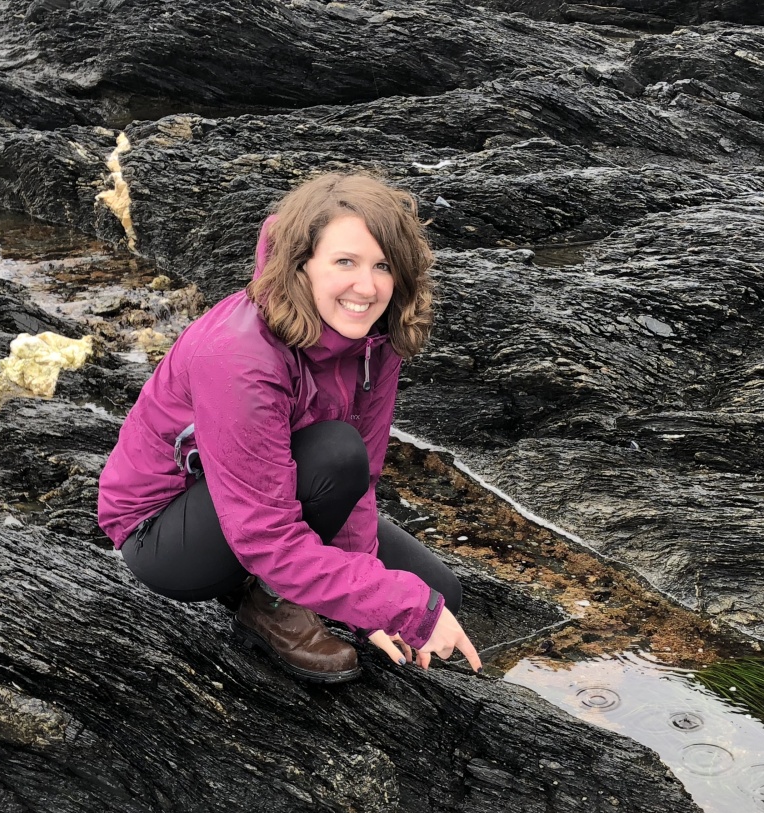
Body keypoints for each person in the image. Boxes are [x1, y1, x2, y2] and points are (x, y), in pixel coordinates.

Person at [97, 172, 481, 684]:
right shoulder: (240, 357)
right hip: (166, 530)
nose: (366, 287)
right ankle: (267, 603)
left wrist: (371, 602)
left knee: (439, 593)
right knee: (337, 454)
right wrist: (392, 604)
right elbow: (267, 534)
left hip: (270, 495)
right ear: (301, 264)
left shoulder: (375, 339)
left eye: (383, 266)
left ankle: (288, 586)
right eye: (345, 262)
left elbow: (357, 484)